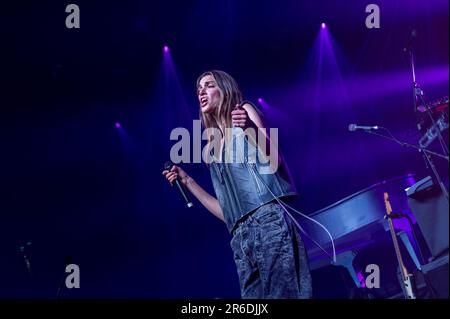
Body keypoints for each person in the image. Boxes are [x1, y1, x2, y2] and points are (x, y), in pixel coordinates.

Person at [162, 70, 312, 298]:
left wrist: (249, 128)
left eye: (209, 85)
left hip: (268, 220)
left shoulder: (245, 111)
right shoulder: (210, 151)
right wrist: (188, 181)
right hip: (240, 238)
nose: (201, 91)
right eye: (198, 89)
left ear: (225, 90)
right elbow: (227, 213)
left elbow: (274, 161)